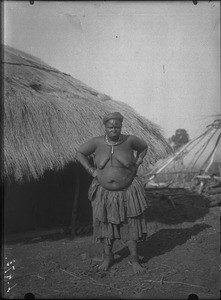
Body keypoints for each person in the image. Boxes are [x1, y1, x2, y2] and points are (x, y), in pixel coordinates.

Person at [76, 112, 149, 274]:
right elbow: (79, 153)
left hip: (127, 191)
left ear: (121, 126)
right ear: (105, 127)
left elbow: (144, 147)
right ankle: (107, 257)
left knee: (131, 224)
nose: (114, 130)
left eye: (117, 126)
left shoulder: (130, 140)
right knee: (105, 225)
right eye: (110, 127)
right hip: (104, 193)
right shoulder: (96, 142)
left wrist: (138, 160)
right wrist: (91, 170)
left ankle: (134, 259)